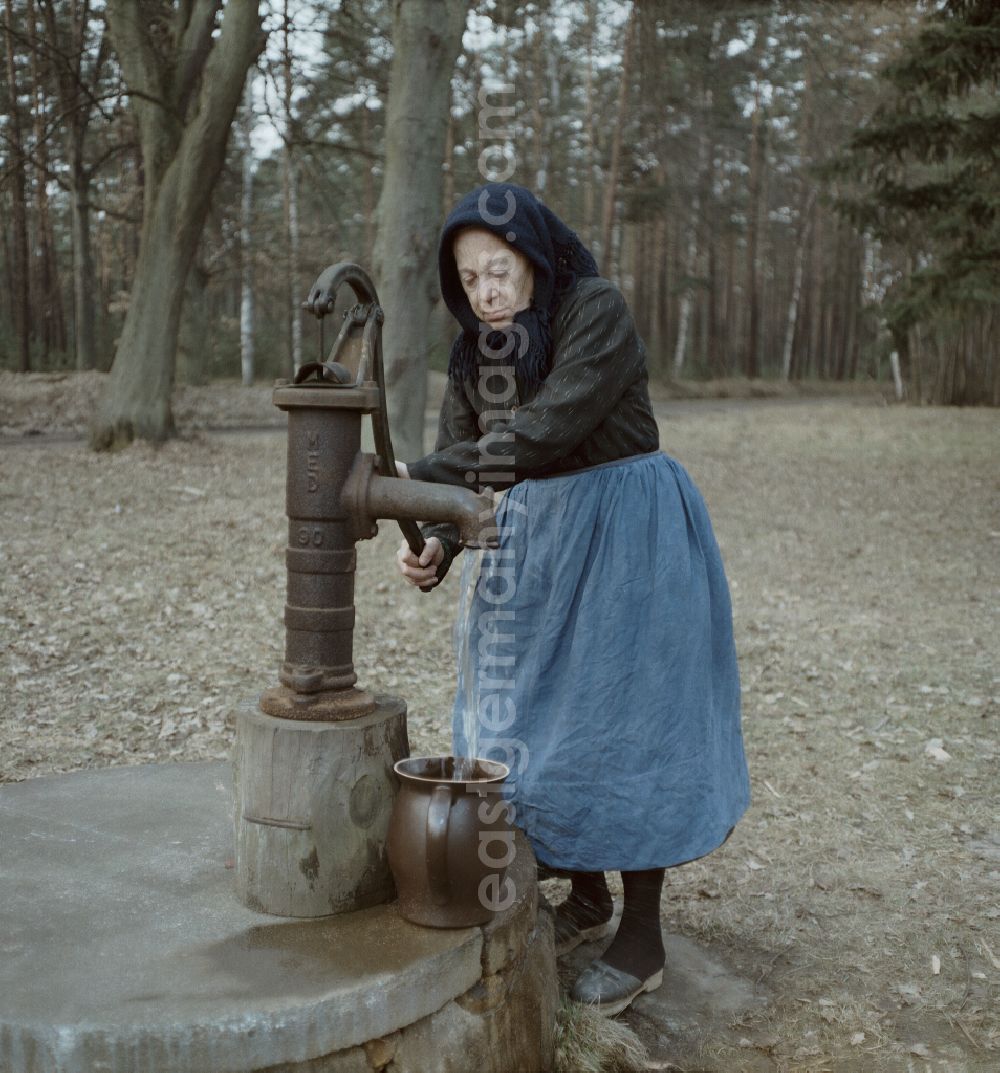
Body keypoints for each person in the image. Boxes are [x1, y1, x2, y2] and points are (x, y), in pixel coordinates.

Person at [395, 182, 750, 1016]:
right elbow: (464, 461)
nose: (485, 291)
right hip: (531, 547)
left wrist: (420, 476)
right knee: (526, 722)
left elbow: (548, 428)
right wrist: (440, 543)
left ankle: (643, 935)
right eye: (468, 278)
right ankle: (581, 891)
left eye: (498, 269)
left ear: (535, 258)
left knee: (624, 727)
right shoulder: (470, 356)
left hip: (628, 537)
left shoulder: (596, 310)